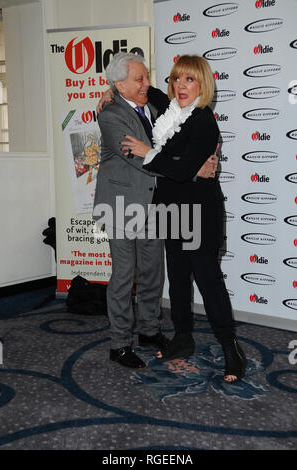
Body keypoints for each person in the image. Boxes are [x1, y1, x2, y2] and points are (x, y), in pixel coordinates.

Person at [120, 54, 247, 383]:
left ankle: (231, 348)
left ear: (203, 84)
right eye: (176, 79)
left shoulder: (204, 121)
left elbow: (180, 169)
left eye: (189, 80)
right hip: (170, 210)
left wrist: (147, 153)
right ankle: (183, 338)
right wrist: (112, 91)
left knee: (208, 282)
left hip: (200, 212)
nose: (180, 86)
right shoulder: (171, 111)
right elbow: (150, 92)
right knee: (176, 279)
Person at [93, 52, 217, 369]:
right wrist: (193, 170)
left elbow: (173, 137)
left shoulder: (154, 103)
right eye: (140, 79)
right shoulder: (110, 115)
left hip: (153, 206)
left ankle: (149, 331)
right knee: (123, 277)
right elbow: (141, 161)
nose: (148, 82)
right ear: (120, 84)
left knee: (152, 274)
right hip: (121, 206)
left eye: (147, 76)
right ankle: (119, 344)